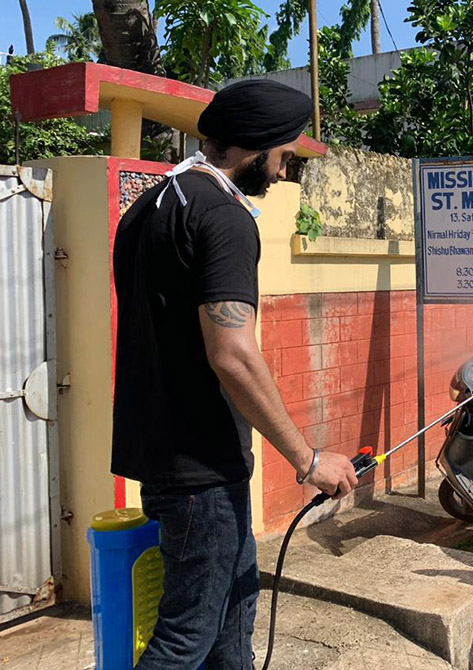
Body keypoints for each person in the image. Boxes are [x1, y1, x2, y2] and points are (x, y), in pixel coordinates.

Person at [112, 80, 358, 669]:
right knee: (185, 637)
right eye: (283, 155)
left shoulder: (149, 206)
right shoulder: (223, 216)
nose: (283, 170)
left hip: (173, 458)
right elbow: (233, 353)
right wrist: (307, 458)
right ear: (256, 146)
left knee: (232, 620)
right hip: (202, 470)